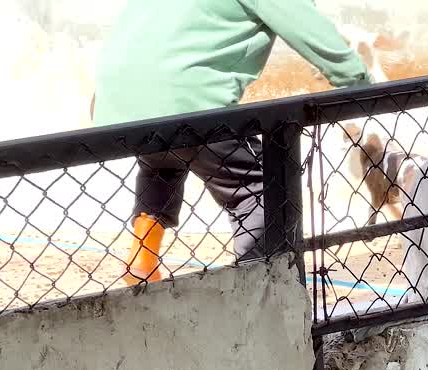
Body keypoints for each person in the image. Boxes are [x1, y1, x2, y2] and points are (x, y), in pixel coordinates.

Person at [92, 0, 375, 284]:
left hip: (118, 108)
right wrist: (361, 85)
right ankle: (258, 284)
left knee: (163, 160)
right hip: (192, 105)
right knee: (259, 190)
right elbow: (310, 31)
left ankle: (142, 256)